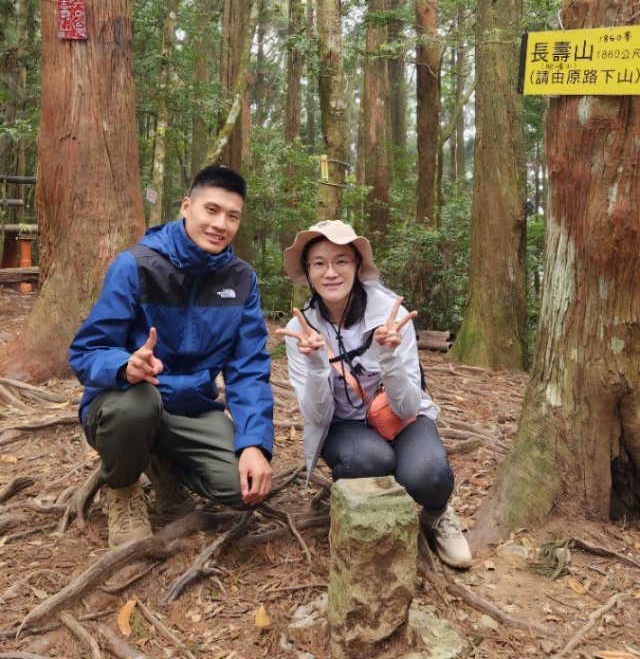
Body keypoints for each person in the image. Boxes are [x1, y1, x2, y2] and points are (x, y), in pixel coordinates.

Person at [68, 165, 273, 549]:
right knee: (136, 407)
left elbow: (248, 369)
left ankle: (163, 469)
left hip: (191, 407)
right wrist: (123, 366)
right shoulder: (136, 265)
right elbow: (86, 351)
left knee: (242, 489)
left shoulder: (241, 280)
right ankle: (123, 488)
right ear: (186, 206)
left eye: (232, 216)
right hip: (128, 400)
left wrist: (254, 445)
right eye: (211, 210)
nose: (221, 224)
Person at [277, 219, 472, 569]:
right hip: (343, 424)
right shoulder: (300, 330)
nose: (331, 272)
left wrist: (388, 356)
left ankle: (437, 515)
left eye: (341, 261)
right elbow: (317, 417)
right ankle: (360, 511)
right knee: (369, 461)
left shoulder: (391, 315)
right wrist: (317, 364)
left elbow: (409, 406)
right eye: (319, 263)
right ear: (307, 272)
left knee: (429, 475)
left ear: (357, 266)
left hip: (398, 416)